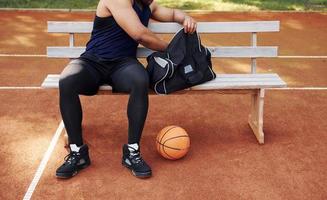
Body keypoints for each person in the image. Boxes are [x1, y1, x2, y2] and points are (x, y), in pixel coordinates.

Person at [55, 0, 197, 179]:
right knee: (67, 80)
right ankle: (77, 153)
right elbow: (140, 35)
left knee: (140, 80)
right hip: (93, 62)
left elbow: (172, 13)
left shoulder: (149, 5)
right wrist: (175, 51)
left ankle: (132, 152)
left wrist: (185, 18)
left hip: (122, 64)